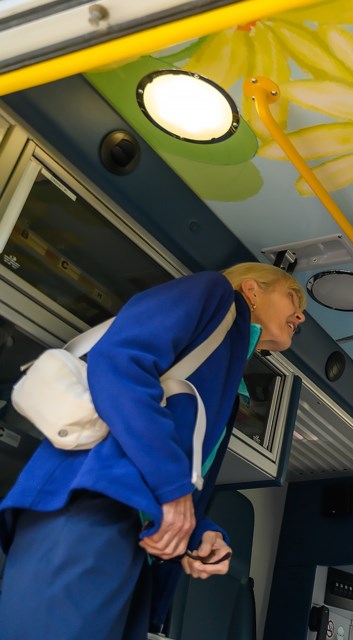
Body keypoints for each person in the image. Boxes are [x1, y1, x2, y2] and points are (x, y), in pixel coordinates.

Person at [0, 263, 306, 639]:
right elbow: (120, 364)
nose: (301, 314)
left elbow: (178, 469)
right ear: (252, 289)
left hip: (134, 542)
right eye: (293, 297)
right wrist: (173, 490)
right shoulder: (212, 295)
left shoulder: (228, 376)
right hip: (91, 509)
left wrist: (197, 533)